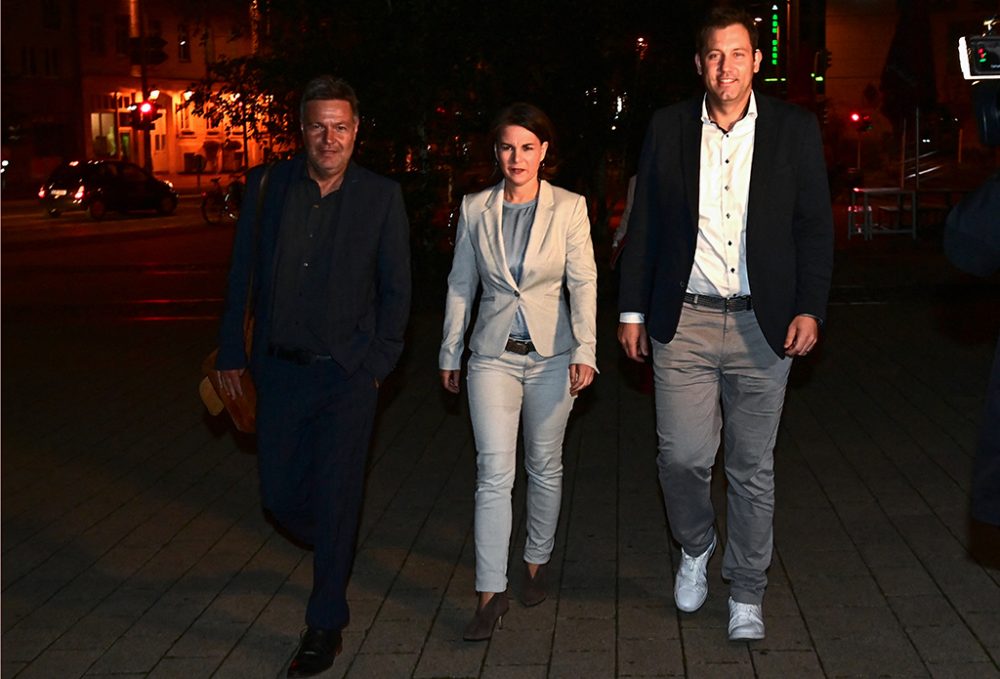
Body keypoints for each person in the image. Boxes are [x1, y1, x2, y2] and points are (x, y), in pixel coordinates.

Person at [617, 7, 833, 642]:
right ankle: (695, 544)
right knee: (682, 458)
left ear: (756, 61)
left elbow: (814, 226)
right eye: (714, 55)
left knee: (750, 465)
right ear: (699, 63)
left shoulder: (794, 130)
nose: (726, 67)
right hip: (680, 319)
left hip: (762, 325)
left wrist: (810, 306)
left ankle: (746, 590)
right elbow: (646, 224)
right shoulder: (667, 128)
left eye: (738, 54)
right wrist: (631, 309)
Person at [215, 76, 411, 678]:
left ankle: (325, 620)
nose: (330, 138)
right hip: (278, 371)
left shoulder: (380, 197)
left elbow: (398, 291)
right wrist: (229, 353)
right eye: (318, 126)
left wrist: (377, 366)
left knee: (337, 496)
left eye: (341, 126)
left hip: (347, 377)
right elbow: (241, 274)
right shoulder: (267, 186)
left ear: (357, 131)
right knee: (278, 495)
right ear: (301, 130)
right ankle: (334, 540)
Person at [439, 103, 598, 641]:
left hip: (554, 356)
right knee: (493, 473)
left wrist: (586, 350)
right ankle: (489, 591)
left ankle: (535, 560)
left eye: (528, 147)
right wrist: (449, 351)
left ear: (544, 152)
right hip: (491, 358)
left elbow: (584, 283)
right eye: (508, 147)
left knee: (545, 464)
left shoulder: (570, 207)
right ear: (497, 151)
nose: (517, 157)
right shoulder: (475, 207)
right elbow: (462, 283)